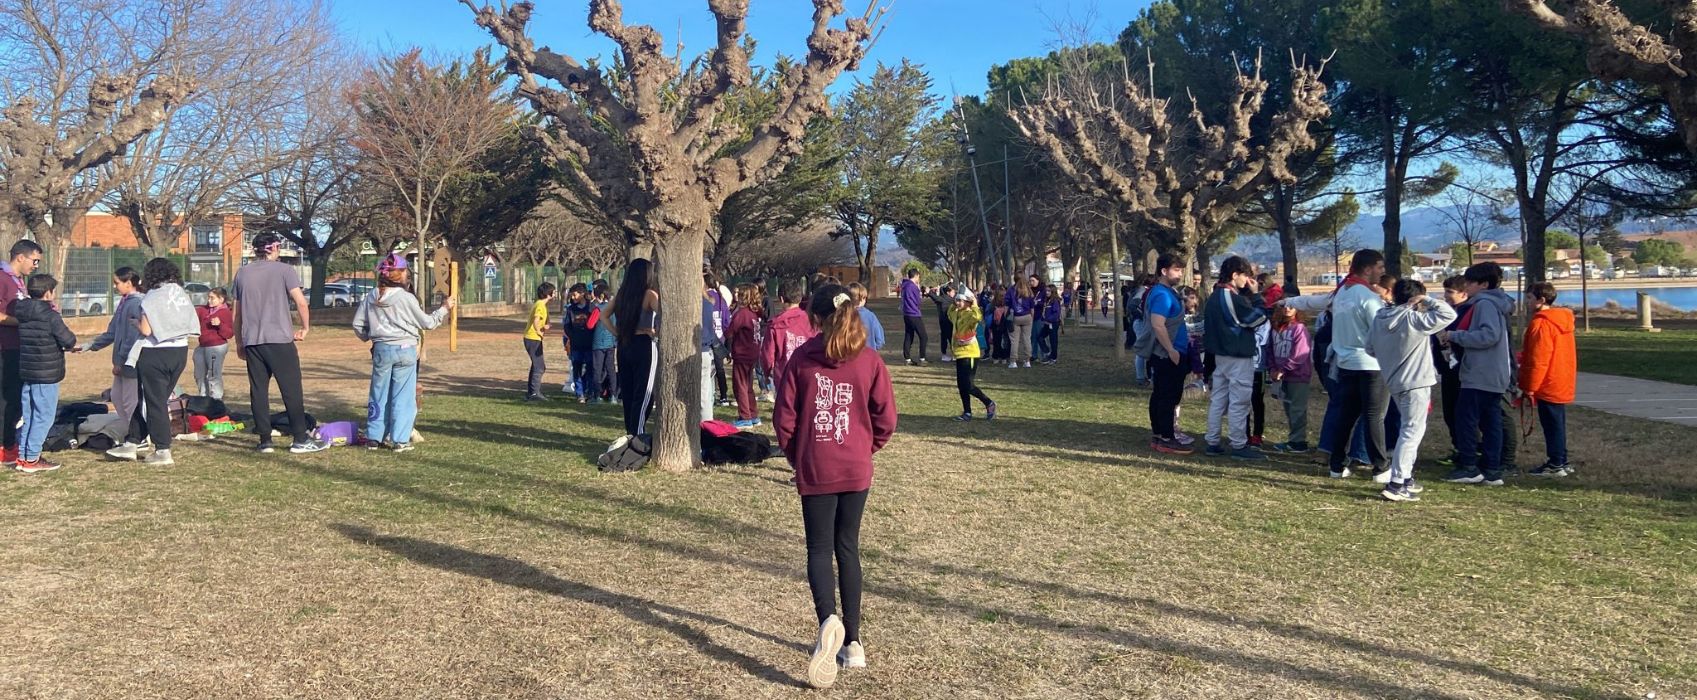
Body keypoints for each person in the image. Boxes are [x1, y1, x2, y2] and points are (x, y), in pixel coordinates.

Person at [770, 283, 897, 689]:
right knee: (848, 548)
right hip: (855, 468)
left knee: (819, 549)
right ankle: (854, 642)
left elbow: (784, 419)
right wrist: (865, 448)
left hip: (817, 467)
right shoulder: (870, 360)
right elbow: (886, 418)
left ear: (817, 320)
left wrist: (798, 455)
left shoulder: (802, 361)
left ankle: (828, 619)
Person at [231, 234, 328, 454]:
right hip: (280, 340)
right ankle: (300, 439)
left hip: (253, 341)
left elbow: (236, 314)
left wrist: (239, 342)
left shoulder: (242, 273)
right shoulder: (285, 271)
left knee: (258, 390)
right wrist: (305, 327)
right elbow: (301, 302)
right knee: (291, 390)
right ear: (274, 249)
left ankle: (265, 440)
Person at [1365, 279, 1456, 502]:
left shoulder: (1380, 318)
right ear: (1416, 299)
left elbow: (1369, 348)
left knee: (1410, 429)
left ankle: (1405, 477)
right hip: (1417, 381)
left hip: (1395, 381)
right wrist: (1428, 300)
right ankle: (1396, 483)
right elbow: (1449, 315)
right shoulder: (1414, 319)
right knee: (1411, 432)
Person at [352, 254, 454, 451]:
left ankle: (374, 437)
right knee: (403, 395)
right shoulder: (406, 298)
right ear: (399, 275)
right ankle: (400, 439)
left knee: (378, 393)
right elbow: (427, 323)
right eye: (406, 270)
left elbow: (357, 324)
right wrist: (443, 309)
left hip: (381, 348)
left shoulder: (372, 295)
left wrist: (370, 337)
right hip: (405, 349)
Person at [106, 258, 197, 466]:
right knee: (151, 399)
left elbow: (147, 330)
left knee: (153, 402)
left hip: (155, 353)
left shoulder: (152, 297)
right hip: (179, 351)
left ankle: (163, 450)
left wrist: (136, 323)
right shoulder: (181, 293)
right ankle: (133, 441)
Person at [1439, 262, 1515, 486]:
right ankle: (1492, 469)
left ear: (1483, 284)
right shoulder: (1497, 303)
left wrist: (1455, 336)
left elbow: (1488, 336)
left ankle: (1469, 466)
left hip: (1481, 371)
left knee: (1466, 418)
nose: (1468, 286)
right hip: (1494, 372)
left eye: (1471, 282)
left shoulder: (1484, 304)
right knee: (1491, 420)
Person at [1323, 250, 1392, 481]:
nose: (1383, 272)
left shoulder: (1343, 291)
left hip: (1346, 362)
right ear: (1367, 268)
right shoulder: (1367, 296)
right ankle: (1381, 467)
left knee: (1346, 415)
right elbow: (1381, 328)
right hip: (1371, 364)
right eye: (1380, 267)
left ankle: (1336, 464)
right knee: (1374, 416)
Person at [1202, 256, 1269, 461]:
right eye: (1245, 276)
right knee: (1239, 401)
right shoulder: (1231, 297)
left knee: (1219, 398)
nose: (1247, 281)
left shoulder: (1214, 296)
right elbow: (1257, 319)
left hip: (1220, 354)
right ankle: (1239, 444)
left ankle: (1212, 441)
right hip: (1237, 354)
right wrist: (1256, 296)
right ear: (1235, 275)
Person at [12, 274, 76, 473]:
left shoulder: (22, 311)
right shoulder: (50, 315)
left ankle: (24, 456)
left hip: (28, 371)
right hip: (46, 373)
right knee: (44, 417)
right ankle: (31, 459)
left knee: (30, 415)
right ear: (48, 293)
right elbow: (68, 340)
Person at [1520, 282, 1577, 477]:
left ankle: (1556, 463)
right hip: (1560, 377)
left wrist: (1529, 386)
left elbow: (1539, 359)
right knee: (1557, 422)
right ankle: (1561, 459)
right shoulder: (1562, 320)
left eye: (1529, 298)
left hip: (1548, 381)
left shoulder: (1542, 323)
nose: (1526, 302)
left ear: (1541, 300)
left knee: (1552, 424)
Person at [1139, 255, 1193, 455]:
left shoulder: (1168, 292)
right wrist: (1171, 350)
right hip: (1167, 355)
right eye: (1176, 270)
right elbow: (1157, 324)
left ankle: (1160, 435)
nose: (1180, 274)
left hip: (1171, 353)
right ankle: (1166, 437)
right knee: (1167, 396)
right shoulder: (1162, 295)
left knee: (1163, 394)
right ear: (1164, 271)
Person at [81, 267, 145, 429]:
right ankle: (129, 432)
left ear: (129, 283)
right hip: (122, 361)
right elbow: (112, 332)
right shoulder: (124, 303)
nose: (115, 286)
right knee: (116, 397)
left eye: (117, 283)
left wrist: (122, 361)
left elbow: (133, 338)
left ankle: (138, 436)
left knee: (131, 401)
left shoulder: (137, 304)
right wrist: (89, 346)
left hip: (132, 362)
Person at [0, 240, 43, 467]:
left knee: (16, 399)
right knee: (7, 400)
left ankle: (9, 444)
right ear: (20, 257)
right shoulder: (3, 279)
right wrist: (24, 322)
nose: (35, 265)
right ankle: (4, 448)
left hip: (17, 347)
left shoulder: (18, 281)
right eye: (34, 260)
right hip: (5, 349)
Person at [610, 259, 660, 436]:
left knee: (629, 390)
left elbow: (603, 316)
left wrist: (617, 332)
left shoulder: (621, 295)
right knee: (645, 391)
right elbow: (662, 314)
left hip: (624, 345)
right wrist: (654, 331)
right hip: (644, 345)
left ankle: (630, 431)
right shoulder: (650, 295)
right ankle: (637, 433)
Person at [1266, 305, 1313, 453]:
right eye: (1284, 305)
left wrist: (1284, 369)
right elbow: (1269, 350)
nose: (1287, 308)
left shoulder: (1299, 328)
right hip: (1281, 376)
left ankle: (1299, 442)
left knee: (1297, 409)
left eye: (1292, 306)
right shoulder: (1275, 328)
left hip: (1298, 376)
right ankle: (1294, 439)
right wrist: (1273, 369)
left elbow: (1300, 353)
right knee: (1288, 409)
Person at [947, 287, 996, 421]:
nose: (958, 303)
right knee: (961, 385)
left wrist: (974, 302)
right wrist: (954, 301)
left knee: (968, 384)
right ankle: (967, 412)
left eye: (961, 301)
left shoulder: (970, 314)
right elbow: (949, 313)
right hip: (959, 353)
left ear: (968, 302)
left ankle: (989, 403)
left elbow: (978, 317)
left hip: (970, 353)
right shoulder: (957, 313)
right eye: (957, 300)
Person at [727, 284, 765, 428]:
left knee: (740, 385)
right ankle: (753, 414)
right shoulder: (755, 312)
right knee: (748, 385)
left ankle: (745, 416)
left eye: (740, 294)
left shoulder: (742, 314)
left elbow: (730, 330)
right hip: (753, 352)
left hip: (742, 353)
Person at [766, 279, 817, 382]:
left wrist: (767, 372)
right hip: (808, 373)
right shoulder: (812, 321)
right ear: (800, 298)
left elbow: (768, 354)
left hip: (783, 375)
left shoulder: (775, 325)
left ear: (781, 299)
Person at [193, 287, 234, 400]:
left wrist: (220, 325)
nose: (209, 300)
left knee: (213, 375)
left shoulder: (225, 313)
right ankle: (203, 398)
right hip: (202, 346)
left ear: (221, 299)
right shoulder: (203, 310)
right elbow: (192, 313)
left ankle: (216, 400)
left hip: (216, 346)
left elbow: (229, 334)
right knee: (199, 374)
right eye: (208, 297)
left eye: (212, 298)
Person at [562, 283, 599, 402]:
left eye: (575, 294)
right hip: (576, 345)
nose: (573, 297)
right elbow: (567, 326)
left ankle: (589, 392)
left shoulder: (592, 307)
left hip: (589, 344)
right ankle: (579, 394)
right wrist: (573, 336)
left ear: (582, 293)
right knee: (576, 369)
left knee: (590, 369)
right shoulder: (571, 309)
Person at [699, 275, 727, 419]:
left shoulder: (699, 304)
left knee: (703, 392)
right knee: (706, 391)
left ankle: (705, 423)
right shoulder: (709, 302)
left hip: (700, 349)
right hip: (707, 350)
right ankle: (707, 421)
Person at [523, 282, 557, 401]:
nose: (554, 294)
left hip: (533, 338)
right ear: (548, 294)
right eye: (553, 292)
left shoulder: (540, 304)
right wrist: (540, 330)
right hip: (533, 338)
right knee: (540, 366)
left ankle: (531, 392)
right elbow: (536, 320)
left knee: (536, 365)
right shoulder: (540, 306)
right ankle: (534, 394)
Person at [591, 280, 617, 403]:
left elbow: (590, 325)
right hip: (611, 343)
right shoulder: (614, 308)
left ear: (600, 296)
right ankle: (613, 396)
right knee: (611, 369)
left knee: (597, 369)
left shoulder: (598, 309)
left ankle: (597, 395)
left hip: (598, 343)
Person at [898, 268, 928, 366]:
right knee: (923, 336)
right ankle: (922, 358)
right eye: (919, 276)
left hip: (906, 314)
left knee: (909, 335)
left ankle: (907, 359)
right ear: (916, 275)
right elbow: (918, 301)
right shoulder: (913, 287)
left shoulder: (905, 285)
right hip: (914, 314)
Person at [1006, 276, 1036, 369]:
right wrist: (1032, 317)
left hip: (1015, 316)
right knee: (1027, 339)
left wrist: (1005, 317)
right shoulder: (1028, 290)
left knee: (1014, 340)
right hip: (1027, 316)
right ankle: (1027, 361)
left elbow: (1007, 304)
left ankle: (1013, 361)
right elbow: (1032, 307)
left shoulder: (1011, 290)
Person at [848, 283, 884, 352]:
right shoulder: (870, 316)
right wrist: (874, 348)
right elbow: (880, 340)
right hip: (869, 355)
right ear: (863, 299)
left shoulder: (843, 316)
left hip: (849, 355)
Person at [928, 284, 955, 361]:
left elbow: (934, 297)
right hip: (948, 322)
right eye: (953, 292)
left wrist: (931, 291)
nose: (954, 293)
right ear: (948, 292)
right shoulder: (949, 299)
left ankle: (945, 354)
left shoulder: (941, 299)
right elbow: (934, 297)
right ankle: (952, 354)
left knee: (945, 338)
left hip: (943, 321)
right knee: (950, 338)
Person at [1038, 283, 1063, 364]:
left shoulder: (1055, 301)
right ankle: (1048, 353)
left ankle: (1054, 358)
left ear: (1053, 291)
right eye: (1046, 291)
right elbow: (1044, 309)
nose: (1047, 292)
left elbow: (1056, 313)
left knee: (1053, 341)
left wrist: (1048, 319)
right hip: (1046, 323)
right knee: (1040, 337)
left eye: (1049, 291)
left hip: (1053, 323)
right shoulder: (1046, 300)